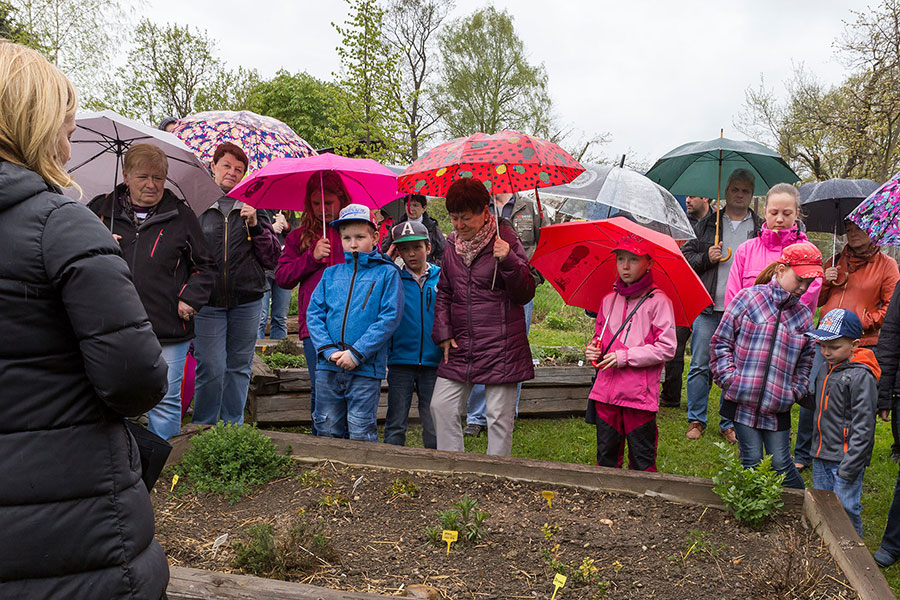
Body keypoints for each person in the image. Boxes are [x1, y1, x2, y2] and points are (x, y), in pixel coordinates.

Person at [0, 40, 169, 598]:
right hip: (70, 527)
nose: (68, 148)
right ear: (31, 123)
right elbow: (135, 378)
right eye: (64, 129)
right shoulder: (61, 224)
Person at [88, 143, 217, 440]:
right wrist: (96, 239)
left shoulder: (181, 216)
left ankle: (162, 463)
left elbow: (206, 265)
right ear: (126, 175)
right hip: (112, 325)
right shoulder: (99, 210)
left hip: (168, 326)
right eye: (143, 176)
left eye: (158, 178)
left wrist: (191, 296)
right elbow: (70, 256)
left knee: (166, 399)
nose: (151, 184)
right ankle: (118, 460)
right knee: (114, 395)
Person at [430, 179, 536, 456]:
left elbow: (525, 291)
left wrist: (510, 260)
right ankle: (453, 467)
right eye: (454, 218)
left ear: (484, 212)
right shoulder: (452, 244)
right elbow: (444, 291)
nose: (459, 225)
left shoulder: (506, 237)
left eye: (466, 218)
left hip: (501, 344)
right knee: (441, 406)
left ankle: (495, 477)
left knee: (499, 418)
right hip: (461, 344)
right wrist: (443, 332)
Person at [710, 242, 824, 489]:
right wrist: (730, 379)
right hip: (742, 402)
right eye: (800, 279)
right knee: (751, 460)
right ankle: (753, 514)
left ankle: (801, 508)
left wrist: (795, 390)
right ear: (781, 270)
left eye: (809, 282)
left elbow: (806, 360)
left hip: (778, 405)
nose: (804, 287)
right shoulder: (748, 299)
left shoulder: (803, 315)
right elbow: (721, 342)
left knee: (782, 463)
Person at [793, 219, 899, 470]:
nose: (852, 234)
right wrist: (826, 281)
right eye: (848, 230)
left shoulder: (887, 265)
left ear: (872, 231)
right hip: (828, 340)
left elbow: (891, 307)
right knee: (815, 394)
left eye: (857, 229)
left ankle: (854, 457)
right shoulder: (835, 260)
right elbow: (815, 300)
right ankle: (804, 454)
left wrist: (864, 321)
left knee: (854, 404)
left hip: (863, 343)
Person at [192, 143, 281, 426]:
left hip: (248, 298)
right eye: (227, 166)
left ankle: (233, 426)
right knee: (211, 366)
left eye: (239, 169)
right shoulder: (197, 205)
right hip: (207, 300)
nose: (232, 172)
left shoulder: (256, 204)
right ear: (213, 166)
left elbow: (271, 258)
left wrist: (255, 224)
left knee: (239, 367)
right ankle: (203, 426)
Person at [306, 204, 403, 441]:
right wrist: (328, 351)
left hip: (365, 368)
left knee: (361, 427)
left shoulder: (387, 274)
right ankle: (327, 475)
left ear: (375, 237)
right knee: (327, 426)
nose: (353, 243)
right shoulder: (331, 274)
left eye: (360, 237)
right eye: (347, 237)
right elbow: (314, 314)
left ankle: (361, 475)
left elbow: (389, 317)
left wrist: (357, 353)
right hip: (328, 367)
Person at [681, 168, 763, 442]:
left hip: (744, 311)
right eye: (735, 189)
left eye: (745, 191)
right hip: (708, 307)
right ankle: (696, 419)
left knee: (737, 369)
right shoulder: (707, 225)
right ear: (726, 191)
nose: (740, 195)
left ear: (752, 195)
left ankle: (729, 422)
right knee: (701, 365)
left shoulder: (760, 228)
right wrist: (707, 256)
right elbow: (686, 257)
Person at [584, 234, 676, 471]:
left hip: (638, 397)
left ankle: (643, 500)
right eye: (620, 259)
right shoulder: (608, 300)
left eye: (633, 260)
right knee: (606, 456)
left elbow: (667, 347)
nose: (625, 266)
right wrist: (594, 349)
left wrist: (625, 357)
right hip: (605, 394)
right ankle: (606, 499)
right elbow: (600, 338)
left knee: (642, 458)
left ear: (650, 263)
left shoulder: (659, 302)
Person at [463, 191, 545, 436]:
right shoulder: (480, 207)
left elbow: (543, 245)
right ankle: (476, 417)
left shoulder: (529, 207)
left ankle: (506, 414)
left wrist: (534, 277)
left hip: (520, 288)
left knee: (515, 349)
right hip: (487, 289)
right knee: (483, 347)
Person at [275, 174, 350, 434]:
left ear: (341, 200)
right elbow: (283, 277)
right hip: (314, 325)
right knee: (322, 384)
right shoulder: (298, 238)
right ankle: (324, 439)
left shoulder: (351, 234)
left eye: (329, 202)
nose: (323, 209)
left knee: (351, 383)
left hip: (351, 321)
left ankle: (353, 439)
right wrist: (312, 256)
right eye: (316, 203)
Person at [803, 309, 879, 537]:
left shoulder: (860, 376)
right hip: (821, 454)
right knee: (822, 505)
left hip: (846, 459)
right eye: (822, 345)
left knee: (845, 509)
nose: (826, 352)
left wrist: (851, 464)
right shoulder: (827, 368)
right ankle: (825, 548)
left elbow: (864, 426)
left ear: (854, 344)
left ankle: (852, 552)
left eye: (834, 347)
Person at [383, 221, 441, 448]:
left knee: (432, 419)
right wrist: (386, 258)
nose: (411, 253)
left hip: (433, 360)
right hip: (400, 361)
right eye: (404, 249)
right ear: (397, 251)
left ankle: (434, 463)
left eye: (416, 247)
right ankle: (392, 461)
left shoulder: (442, 277)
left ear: (428, 247)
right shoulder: (392, 278)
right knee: (396, 417)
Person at [725, 183, 822, 315]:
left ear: (797, 213)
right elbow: (733, 297)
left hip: (790, 330)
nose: (780, 219)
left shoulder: (809, 253)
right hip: (748, 330)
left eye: (787, 214)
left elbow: (808, 297)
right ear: (765, 212)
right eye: (774, 213)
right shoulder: (746, 250)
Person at [379, 193, 446, 265]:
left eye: (415, 205)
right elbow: (384, 248)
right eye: (408, 205)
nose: (411, 209)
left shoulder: (432, 227)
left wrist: (431, 267)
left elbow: (443, 252)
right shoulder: (397, 225)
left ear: (424, 208)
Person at [257, 210, 294, 340]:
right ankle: (257, 355)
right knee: (260, 317)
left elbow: (296, 238)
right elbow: (253, 234)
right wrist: (271, 230)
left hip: (284, 269)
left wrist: (286, 225)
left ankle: (279, 351)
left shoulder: (288, 211)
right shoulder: (259, 209)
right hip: (263, 269)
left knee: (280, 317)